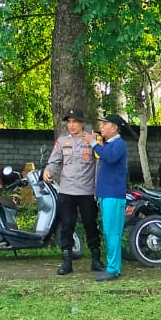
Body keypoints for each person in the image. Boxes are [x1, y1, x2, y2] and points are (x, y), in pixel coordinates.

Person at [44, 110, 104, 274]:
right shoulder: (62, 141)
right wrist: (48, 171)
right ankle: (67, 262)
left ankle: (96, 259)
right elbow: (54, 162)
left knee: (91, 225)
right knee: (67, 226)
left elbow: (99, 165)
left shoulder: (92, 139)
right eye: (69, 122)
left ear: (82, 123)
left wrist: (98, 189)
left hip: (87, 191)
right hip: (67, 191)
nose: (71, 125)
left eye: (75, 122)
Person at [92, 114, 130, 282]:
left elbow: (110, 158)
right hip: (106, 194)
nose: (101, 127)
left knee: (112, 232)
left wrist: (93, 144)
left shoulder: (118, 144)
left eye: (105, 124)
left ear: (114, 128)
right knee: (109, 231)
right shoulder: (108, 144)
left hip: (113, 194)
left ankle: (113, 268)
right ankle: (113, 266)